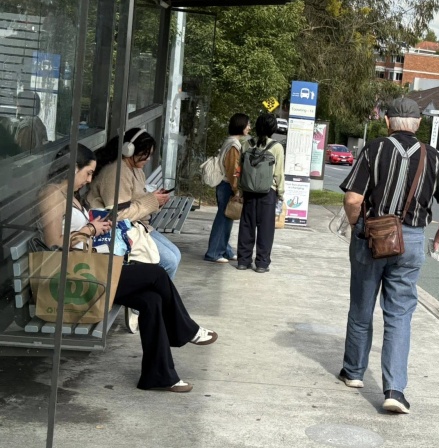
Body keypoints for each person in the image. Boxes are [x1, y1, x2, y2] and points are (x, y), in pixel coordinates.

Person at [38, 144, 217, 393]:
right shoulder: (51, 195)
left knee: (152, 300)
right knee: (156, 274)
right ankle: (185, 330)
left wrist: (97, 226)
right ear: (72, 168)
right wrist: (89, 229)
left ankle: (158, 376)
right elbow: (53, 245)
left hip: (88, 270)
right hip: (74, 280)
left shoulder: (70, 195)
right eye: (87, 173)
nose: (89, 179)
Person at [338, 97, 439, 414]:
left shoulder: (374, 149)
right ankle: (395, 390)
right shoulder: (432, 157)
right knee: (400, 314)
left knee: (362, 305)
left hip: (372, 236)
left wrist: (357, 226)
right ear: (418, 123)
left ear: (387, 121)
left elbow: (353, 200)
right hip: (412, 240)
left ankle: (354, 372)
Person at [86, 128, 182, 280]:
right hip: (120, 230)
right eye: (145, 154)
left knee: (176, 254)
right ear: (129, 150)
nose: (148, 159)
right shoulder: (116, 173)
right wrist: (152, 200)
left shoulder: (136, 170)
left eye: (150, 154)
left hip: (138, 226)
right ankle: (156, 292)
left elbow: (138, 203)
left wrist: (157, 200)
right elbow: (118, 214)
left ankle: (159, 292)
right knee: (169, 261)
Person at [236, 113, 285, 273]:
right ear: (273, 128)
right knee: (266, 228)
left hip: (249, 190)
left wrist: (240, 190)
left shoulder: (247, 144)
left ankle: (243, 261)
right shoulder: (276, 147)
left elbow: (241, 169)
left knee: (246, 225)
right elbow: (279, 173)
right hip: (268, 192)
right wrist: (281, 193)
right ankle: (262, 264)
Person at [204, 113, 250, 263]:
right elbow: (232, 171)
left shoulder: (230, 142)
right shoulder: (234, 145)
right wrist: (236, 190)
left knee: (227, 218)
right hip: (227, 185)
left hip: (224, 185)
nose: (249, 128)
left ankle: (225, 250)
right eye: (247, 125)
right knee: (223, 219)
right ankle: (214, 252)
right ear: (241, 126)